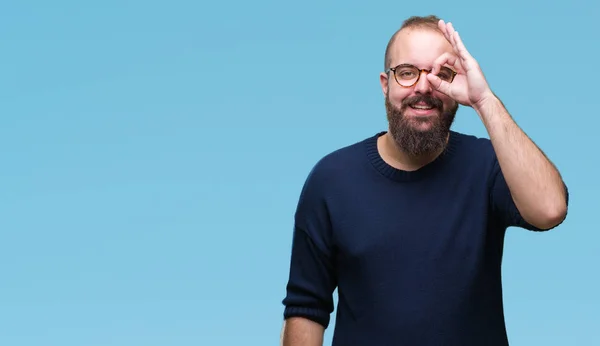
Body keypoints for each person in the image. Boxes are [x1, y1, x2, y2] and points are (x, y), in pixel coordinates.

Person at [280, 15, 569, 346]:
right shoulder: (331, 181)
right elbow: (305, 309)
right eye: (406, 73)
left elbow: (550, 209)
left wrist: (484, 100)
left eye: (440, 74)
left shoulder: (487, 165)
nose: (423, 87)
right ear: (384, 84)